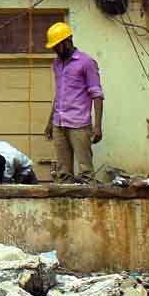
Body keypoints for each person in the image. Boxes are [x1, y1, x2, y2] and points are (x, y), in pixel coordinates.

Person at [43, 22, 104, 183]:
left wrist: (97, 126)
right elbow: (59, 94)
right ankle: (66, 206)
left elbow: (97, 94)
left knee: (86, 173)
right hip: (59, 123)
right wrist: (50, 122)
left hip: (79, 124)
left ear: (67, 41)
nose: (55, 50)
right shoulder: (56, 64)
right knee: (63, 174)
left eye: (57, 46)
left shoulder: (86, 62)